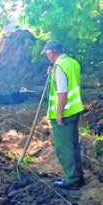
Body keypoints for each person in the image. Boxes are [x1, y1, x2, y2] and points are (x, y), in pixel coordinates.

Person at [42, 40, 85, 190]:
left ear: (51, 53)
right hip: (74, 110)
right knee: (73, 145)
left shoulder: (60, 67)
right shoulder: (71, 62)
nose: (47, 57)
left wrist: (58, 114)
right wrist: (52, 73)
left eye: (47, 54)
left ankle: (72, 180)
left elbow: (62, 92)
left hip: (65, 113)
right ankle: (78, 177)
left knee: (64, 148)